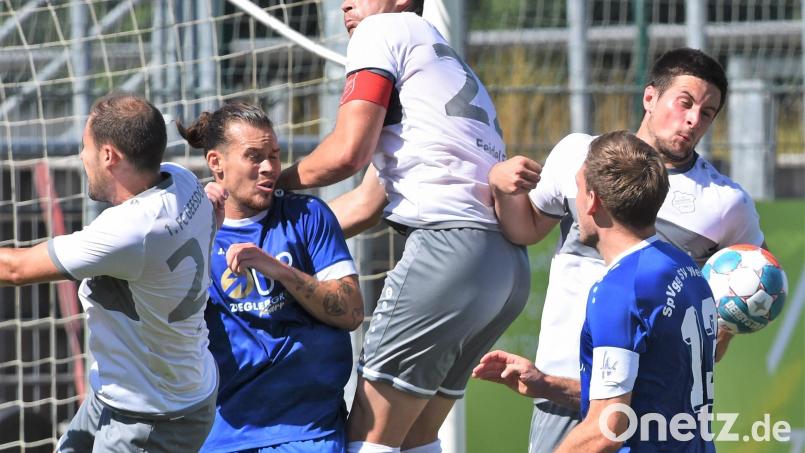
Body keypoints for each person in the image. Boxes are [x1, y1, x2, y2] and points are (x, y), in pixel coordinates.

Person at [475, 47, 764, 452]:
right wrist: (500, 184)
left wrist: (724, 328)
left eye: (708, 112)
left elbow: (752, 278)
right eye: (685, 103)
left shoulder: (725, 202)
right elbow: (524, 229)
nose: (694, 120)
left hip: (646, 399)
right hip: (561, 384)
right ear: (650, 97)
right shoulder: (581, 156)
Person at [277, 1, 531, 452]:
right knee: (416, 439)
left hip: (448, 254)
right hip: (504, 269)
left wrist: (267, 188)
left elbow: (347, 153)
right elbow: (365, 204)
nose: (345, 4)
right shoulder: (436, 57)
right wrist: (278, 235)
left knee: (369, 438)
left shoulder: (381, 31)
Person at [0, 93, 219, 452]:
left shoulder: (131, 232)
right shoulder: (182, 181)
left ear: (108, 156)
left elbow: (14, 268)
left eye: (84, 147)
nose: (80, 157)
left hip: (153, 415)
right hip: (128, 392)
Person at [478, 131, 717, 451]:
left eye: (578, 188)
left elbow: (607, 429)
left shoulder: (619, 290)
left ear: (593, 200)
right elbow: (644, 395)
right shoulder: (685, 269)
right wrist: (545, 383)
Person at [178, 102, 364, 453]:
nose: (269, 168)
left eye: (274, 156)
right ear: (216, 162)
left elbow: (352, 312)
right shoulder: (187, 233)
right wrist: (202, 230)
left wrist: (280, 270)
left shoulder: (307, 215)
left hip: (307, 432)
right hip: (221, 432)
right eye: (254, 156)